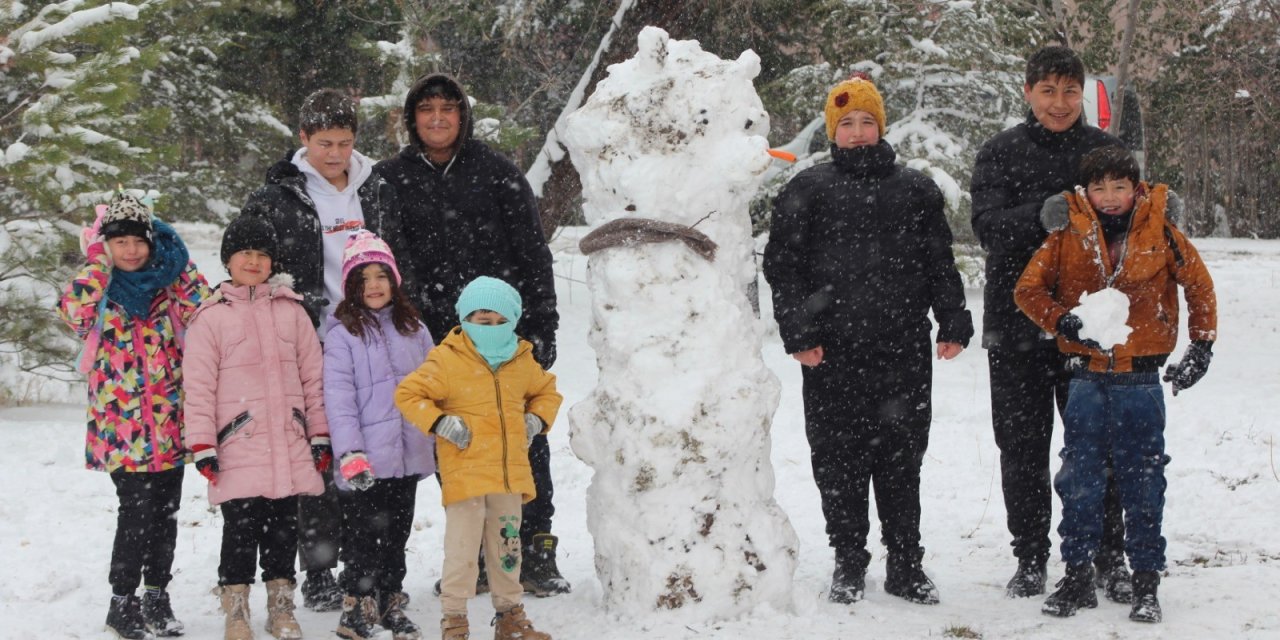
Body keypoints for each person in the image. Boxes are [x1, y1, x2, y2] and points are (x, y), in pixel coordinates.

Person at [763, 73, 973, 606]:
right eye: (847, 123)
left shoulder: (915, 190)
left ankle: (905, 563)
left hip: (902, 349)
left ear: (881, 126)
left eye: (866, 122)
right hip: (831, 353)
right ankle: (849, 561)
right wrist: (799, 332)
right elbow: (783, 269)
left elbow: (938, 262)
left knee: (903, 459)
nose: (857, 132)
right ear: (833, 131)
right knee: (838, 461)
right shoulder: (807, 190)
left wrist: (952, 319)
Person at [375, 74, 567, 596]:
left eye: (448, 108)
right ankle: (483, 554)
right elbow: (386, 259)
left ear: (463, 115)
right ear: (412, 118)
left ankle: (535, 547)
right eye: (427, 109)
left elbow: (533, 253)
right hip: (439, 340)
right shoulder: (390, 179)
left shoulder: (497, 173)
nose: (437, 118)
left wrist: (543, 325)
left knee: (522, 440)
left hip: (503, 336)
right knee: (457, 445)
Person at [1014, 145, 1217, 622]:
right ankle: (1077, 575)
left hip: (1141, 380)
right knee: (1079, 479)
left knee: (1143, 480)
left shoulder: (1161, 232)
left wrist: (1201, 346)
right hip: (1085, 378)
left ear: (1136, 189)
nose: (1109, 197)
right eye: (1099, 187)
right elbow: (1028, 289)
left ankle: (1146, 581)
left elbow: (1199, 286)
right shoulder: (1067, 232)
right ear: (1085, 191)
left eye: (1119, 187)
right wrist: (1062, 321)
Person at [969, 45, 1132, 600]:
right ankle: (1031, 555)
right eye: (1047, 91)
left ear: (1081, 93)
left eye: (1069, 91)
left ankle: (1108, 555)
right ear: (1028, 92)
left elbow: (1128, 218)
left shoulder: (1105, 150)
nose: (1059, 103)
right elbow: (986, 227)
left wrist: (1157, 215)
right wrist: (1039, 215)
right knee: (1021, 448)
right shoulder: (1000, 151)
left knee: (1098, 446)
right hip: (1017, 325)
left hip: (1092, 325)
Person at [238, 88, 403, 611]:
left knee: (366, 451)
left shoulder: (377, 188)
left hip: (370, 337)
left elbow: (401, 255)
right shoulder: (277, 196)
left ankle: (364, 563)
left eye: (344, 142)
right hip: (311, 339)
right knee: (321, 454)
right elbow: (251, 264)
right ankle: (319, 568)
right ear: (303, 138)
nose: (335, 153)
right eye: (324, 143)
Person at [57, 191, 210, 639]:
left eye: (139, 240)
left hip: (170, 422)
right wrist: (97, 263)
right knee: (136, 512)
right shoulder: (101, 291)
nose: (130, 250)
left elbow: (203, 307)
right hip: (121, 428)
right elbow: (72, 311)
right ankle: (122, 600)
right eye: (119, 241)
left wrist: (176, 257)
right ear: (105, 245)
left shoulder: (167, 286)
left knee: (167, 514)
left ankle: (157, 596)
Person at [183, 215, 333, 640]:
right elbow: (198, 387)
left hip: (288, 440)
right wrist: (203, 444)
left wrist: (319, 434)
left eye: (262, 255)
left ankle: (281, 608)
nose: (253, 261)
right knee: (240, 531)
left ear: (273, 262)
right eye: (245, 253)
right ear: (228, 260)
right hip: (238, 444)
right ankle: (236, 610)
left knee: (283, 532)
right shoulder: (211, 317)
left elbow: (313, 379)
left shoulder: (292, 312)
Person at [395, 276, 562, 640]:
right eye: (483, 321)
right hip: (466, 476)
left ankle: (510, 616)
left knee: (508, 549)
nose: (492, 328)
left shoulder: (521, 358)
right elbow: (408, 394)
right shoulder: (447, 359)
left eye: (501, 321)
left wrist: (536, 419)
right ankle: (454, 620)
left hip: (508, 475)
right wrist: (440, 422)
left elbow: (547, 392)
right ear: (465, 319)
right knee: (462, 551)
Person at [323, 231, 436, 640]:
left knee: (396, 535)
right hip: (365, 461)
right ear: (351, 286)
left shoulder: (414, 329)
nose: (374, 285)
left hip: (408, 453)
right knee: (362, 538)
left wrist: (435, 435)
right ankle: (356, 606)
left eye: (381, 276)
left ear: (394, 280)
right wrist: (350, 452)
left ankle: (390, 601)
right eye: (364, 278)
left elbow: (433, 386)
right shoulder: (342, 335)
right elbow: (339, 400)